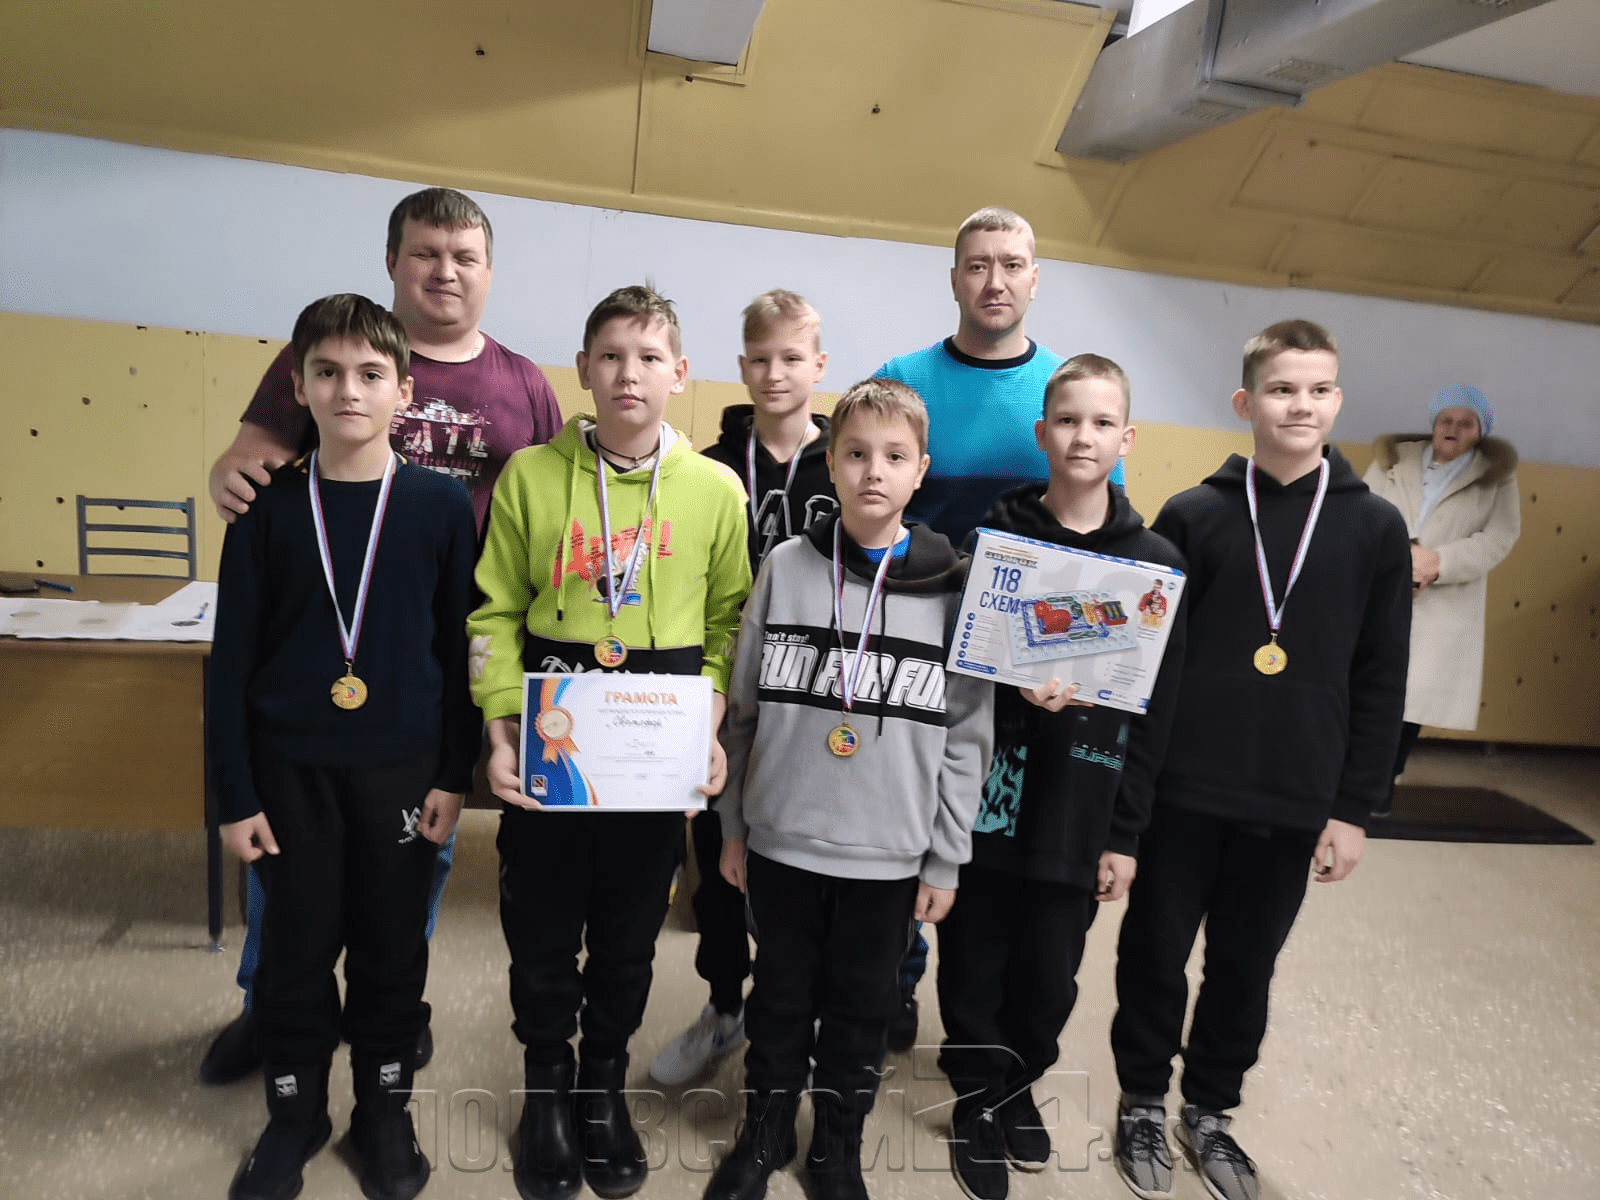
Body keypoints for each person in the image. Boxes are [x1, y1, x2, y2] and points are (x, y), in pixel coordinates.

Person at [199, 187, 562, 1086]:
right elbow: (250, 457)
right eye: (425, 252)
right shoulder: (333, 344)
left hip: (437, 649)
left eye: (464, 256)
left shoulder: (524, 383)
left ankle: (387, 1012)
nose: (445, 271)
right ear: (393, 261)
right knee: (291, 863)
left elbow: (556, 504)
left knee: (412, 860)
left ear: (489, 271)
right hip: (324, 640)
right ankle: (270, 1006)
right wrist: (227, 473)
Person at [1109, 320, 1410, 1200]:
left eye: (1317, 390)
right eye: (1282, 390)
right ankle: (1141, 1099)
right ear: (1246, 402)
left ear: (1338, 401)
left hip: (1294, 795)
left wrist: (1353, 808)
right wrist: (1129, 800)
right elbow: (1148, 660)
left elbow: (1381, 676)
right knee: (1155, 953)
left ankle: (1209, 1110)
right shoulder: (1193, 515)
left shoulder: (1376, 528)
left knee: (1245, 966)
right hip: (1184, 787)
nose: (1300, 406)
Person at [468, 285, 750, 1200]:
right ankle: (546, 1088)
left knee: (630, 935)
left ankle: (602, 1088)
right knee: (542, 927)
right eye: (611, 356)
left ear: (680, 374)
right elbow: (493, 612)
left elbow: (729, 623)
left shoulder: (715, 490)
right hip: (553, 735)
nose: (630, 373)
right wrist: (500, 729)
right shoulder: (529, 476)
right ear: (584, 369)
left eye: (649, 356)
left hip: (654, 746)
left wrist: (710, 722)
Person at [209, 294, 480, 1200]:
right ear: (299, 386)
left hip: (403, 773)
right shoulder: (267, 508)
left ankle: (382, 1112)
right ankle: (296, 1114)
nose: (348, 391)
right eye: (327, 373)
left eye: (370, 374)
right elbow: (231, 662)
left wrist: (453, 775)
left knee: (391, 952)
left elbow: (459, 651)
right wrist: (235, 795)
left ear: (404, 390)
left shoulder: (440, 506)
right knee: (293, 953)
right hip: (291, 775)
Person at [704, 378, 994, 1200]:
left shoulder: (953, 589)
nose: (874, 471)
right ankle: (764, 1131)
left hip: (888, 853)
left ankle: (837, 1145)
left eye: (895, 456)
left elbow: (968, 738)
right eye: (857, 453)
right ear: (829, 462)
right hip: (782, 839)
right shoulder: (786, 567)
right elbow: (743, 711)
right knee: (778, 999)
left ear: (921, 470)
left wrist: (946, 857)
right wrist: (733, 825)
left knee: (862, 1012)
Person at [875, 205, 1123, 1047]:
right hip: (912, 627)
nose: (994, 280)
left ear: (1034, 279)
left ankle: (986, 1003)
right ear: (955, 278)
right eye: (978, 264)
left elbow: (1097, 540)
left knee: (982, 821)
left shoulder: (1065, 392)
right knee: (901, 801)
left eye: (1011, 264)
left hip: (1027, 655)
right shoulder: (903, 377)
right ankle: (896, 977)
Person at [938, 355, 1185, 1200]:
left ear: (1127, 438)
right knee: (973, 962)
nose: (1085, 437)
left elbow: (1154, 712)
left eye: (1102, 422)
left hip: (1082, 806)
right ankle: (976, 1099)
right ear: (1043, 433)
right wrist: (1012, 680)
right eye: (1069, 421)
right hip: (993, 799)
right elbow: (955, 670)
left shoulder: (1153, 567)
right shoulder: (992, 546)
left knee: (1050, 974)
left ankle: (1018, 1085)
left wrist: (1126, 834)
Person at [650, 289, 837, 1087]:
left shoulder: (849, 464)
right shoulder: (706, 466)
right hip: (723, 687)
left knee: (801, 866)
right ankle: (725, 1005)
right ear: (740, 366)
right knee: (716, 860)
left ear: (819, 365)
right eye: (760, 359)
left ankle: (798, 1013)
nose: (775, 372)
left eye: (792, 357)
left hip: (813, 700)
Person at [1363, 384, 1520, 814]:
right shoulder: (1393, 460)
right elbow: (1361, 513)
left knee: (1413, 696)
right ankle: (1353, 776)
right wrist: (1397, 557)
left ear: (1481, 432)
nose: (1453, 429)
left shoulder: (1496, 476)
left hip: (1442, 602)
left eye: (1466, 423)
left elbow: (1500, 537)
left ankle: (1384, 782)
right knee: (1368, 684)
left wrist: (1439, 562)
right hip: (1382, 589)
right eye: (1446, 420)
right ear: (1433, 425)